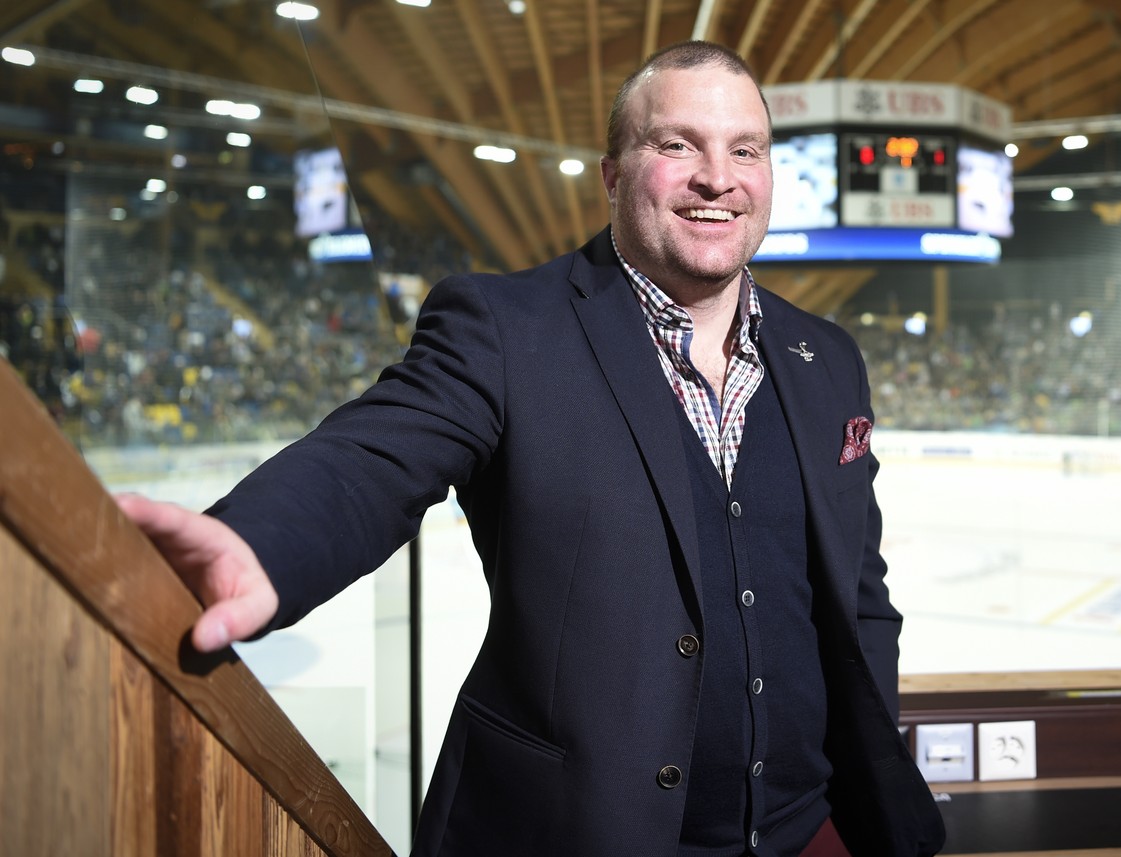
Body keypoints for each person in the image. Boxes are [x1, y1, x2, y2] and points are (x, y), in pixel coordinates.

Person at [116, 41, 944, 857]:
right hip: (579, 832)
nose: (716, 178)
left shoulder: (825, 358)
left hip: (812, 830)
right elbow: (378, 455)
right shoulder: (508, 330)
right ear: (614, 174)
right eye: (676, 145)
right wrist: (260, 543)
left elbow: (857, 592)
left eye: (745, 151)